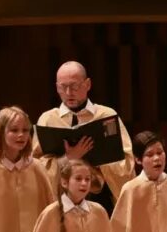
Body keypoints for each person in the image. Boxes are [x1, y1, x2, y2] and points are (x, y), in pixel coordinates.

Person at [39, 60, 137, 198]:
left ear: (87, 84)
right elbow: (36, 167)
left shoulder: (106, 116)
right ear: (57, 88)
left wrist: (100, 157)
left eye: (74, 86)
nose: (68, 92)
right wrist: (68, 158)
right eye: (63, 87)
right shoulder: (48, 119)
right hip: (62, 198)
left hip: (101, 196)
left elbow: (127, 162)